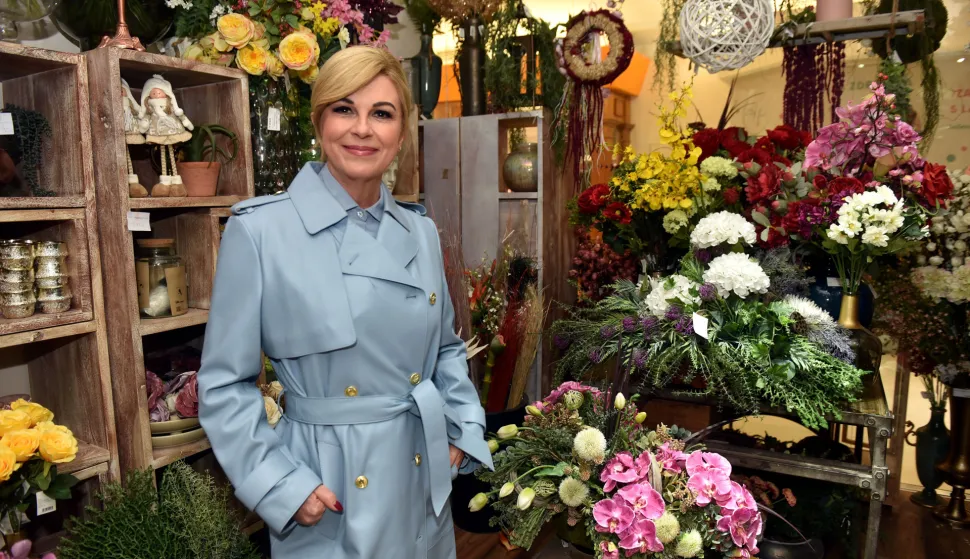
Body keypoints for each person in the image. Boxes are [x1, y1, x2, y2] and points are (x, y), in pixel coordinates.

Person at [197, 46, 492, 559]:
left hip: (421, 478)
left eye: (382, 113)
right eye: (344, 109)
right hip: (327, 487)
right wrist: (280, 486)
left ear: (401, 134)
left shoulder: (419, 230)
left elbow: (446, 350)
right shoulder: (260, 231)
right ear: (319, 121)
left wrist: (461, 431)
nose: (362, 129)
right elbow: (224, 385)